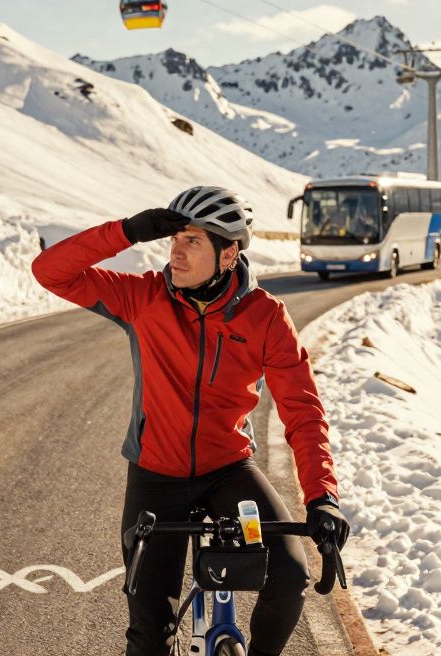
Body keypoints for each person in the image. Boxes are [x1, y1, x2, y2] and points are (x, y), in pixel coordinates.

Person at [32, 186, 349, 656]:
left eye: (193, 242)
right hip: (155, 475)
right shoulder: (143, 298)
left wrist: (323, 497)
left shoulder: (265, 317)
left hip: (228, 471)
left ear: (229, 254)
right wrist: (128, 231)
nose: (175, 254)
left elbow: (302, 411)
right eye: (173, 240)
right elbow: (49, 271)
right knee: (149, 633)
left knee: (290, 575)